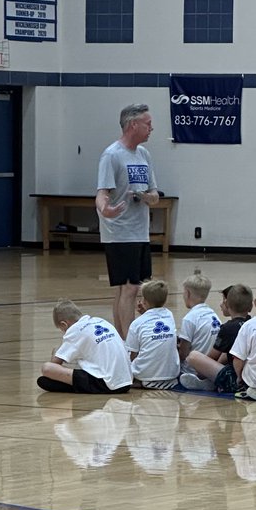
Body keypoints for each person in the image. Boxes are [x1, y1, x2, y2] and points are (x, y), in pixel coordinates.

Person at [96, 103, 160, 338]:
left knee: (129, 287)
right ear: (133, 124)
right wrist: (106, 209)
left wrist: (147, 197)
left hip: (140, 230)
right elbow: (102, 192)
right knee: (130, 287)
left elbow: (154, 193)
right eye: (148, 124)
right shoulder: (112, 155)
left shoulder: (143, 155)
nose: (151, 128)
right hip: (120, 231)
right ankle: (128, 342)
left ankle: (121, 338)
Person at [37, 299, 132, 394]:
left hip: (108, 384)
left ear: (64, 324)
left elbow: (55, 364)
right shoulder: (100, 321)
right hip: (127, 381)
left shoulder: (75, 330)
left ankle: (80, 387)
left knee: (47, 369)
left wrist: (55, 353)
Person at [182, 283, 253, 392]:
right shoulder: (252, 323)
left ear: (226, 304)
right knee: (227, 354)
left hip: (237, 382)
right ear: (251, 306)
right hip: (255, 377)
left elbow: (212, 357)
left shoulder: (228, 328)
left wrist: (203, 372)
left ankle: (208, 383)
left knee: (193, 356)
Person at [125, 278, 180, 389]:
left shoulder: (136, 324)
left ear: (144, 301)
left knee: (124, 354)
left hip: (146, 374)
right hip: (172, 373)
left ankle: (141, 380)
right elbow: (154, 320)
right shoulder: (169, 315)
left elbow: (133, 355)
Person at [177, 271, 221, 363]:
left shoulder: (189, 319)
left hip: (192, 371)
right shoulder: (214, 315)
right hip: (209, 367)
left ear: (188, 293)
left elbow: (183, 355)